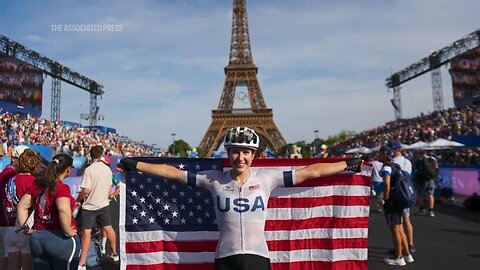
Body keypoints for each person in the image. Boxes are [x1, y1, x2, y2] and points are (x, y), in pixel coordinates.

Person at [118, 127, 363, 270]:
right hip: (226, 258)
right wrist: (136, 164)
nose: (240, 157)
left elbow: (311, 171)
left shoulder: (267, 179)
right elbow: (173, 173)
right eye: (235, 151)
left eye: (246, 152)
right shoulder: (213, 179)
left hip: (258, 258)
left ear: (253, 155)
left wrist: (347, 164)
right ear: (229, 153)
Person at [16, 153, 80, 270]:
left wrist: (25, 227)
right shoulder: (62, 188)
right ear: (68, 169)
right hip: (60, 239)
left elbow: (21, 206)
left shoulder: (38, 185)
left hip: (38, 238)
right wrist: (69, 231)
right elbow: (63, 209)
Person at [76, 145, 119, 270]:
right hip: (103, 204)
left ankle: (82, 263)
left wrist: (78, 200)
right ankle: (114, 253)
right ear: (101, 155)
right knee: (109, 229)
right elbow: (110, 187)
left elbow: (85, 190)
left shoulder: (89, 170)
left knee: (86, 234)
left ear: (91, 155)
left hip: (89, 207)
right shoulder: (107, 170)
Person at [4, 149, 42, 270]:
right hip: (26, 227)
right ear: (34, 165)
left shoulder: (10, 180)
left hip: (10, 228)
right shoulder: (33, 181)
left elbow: (5, 202)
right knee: (27, 265)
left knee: (12, 265)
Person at [378, 144, 414, 266]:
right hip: (399, 201)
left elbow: (387, 184)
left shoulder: (387, 167)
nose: (378, 155)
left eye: (380, 153)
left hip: (392, 202)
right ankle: (407, 255)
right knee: (400, 228)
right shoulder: (396, 166)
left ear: (384, 154)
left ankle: (398, 257)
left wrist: (385, 198)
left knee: (395, 231)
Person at [0, 145, 29, 269]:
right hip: (11, 223)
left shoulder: (9, 172)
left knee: (10, 257)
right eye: (23, 159)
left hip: (10, 222)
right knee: (14, 258)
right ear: (14, 158)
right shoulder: (10, 174)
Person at [388, 140, 415, 254]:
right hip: (407, 192)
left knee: (398, 224)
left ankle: (401, 247)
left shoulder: (392, 162)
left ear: (395, 149)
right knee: (407, 219)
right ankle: (410, 244)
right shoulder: (408, 161)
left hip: (397, 193)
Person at [415, 150, 438, 217]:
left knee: (420, 194)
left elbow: (417, 169)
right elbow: (437, 168)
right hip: (431, 179)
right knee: (430, 194)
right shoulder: (433, 159)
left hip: (422, 179)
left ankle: (422, 209)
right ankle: (431, 211)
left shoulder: (420, 160)